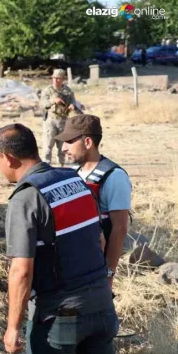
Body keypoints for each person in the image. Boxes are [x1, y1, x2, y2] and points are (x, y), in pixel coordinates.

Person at [0, 123, 118, 354]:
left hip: (61, 314)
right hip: (102, 306)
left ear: (9, 158)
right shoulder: (74, 180)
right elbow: (100, 239)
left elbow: (21, 271)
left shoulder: (26, 198)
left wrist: (13, 326)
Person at [57, 115, 131, 290]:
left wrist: (109, 273)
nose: (63, 148)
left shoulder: (114, 177)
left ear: (88, 142)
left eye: (69, 141)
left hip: (95, 271)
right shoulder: (74, 171)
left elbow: (119, 229)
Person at [39, 69, 76, 166]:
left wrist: (72, 105)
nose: (55, 80)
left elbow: (73, 101)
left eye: (58, 78)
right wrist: (53, 101)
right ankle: (46, 166)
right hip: (50, 121)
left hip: (63, 121)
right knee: (48, 146)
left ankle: (61, 165)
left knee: (62, 146)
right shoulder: (47, 91)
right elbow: (42, 104)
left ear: (63, 79)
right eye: (54, 78)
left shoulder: (67, 91)